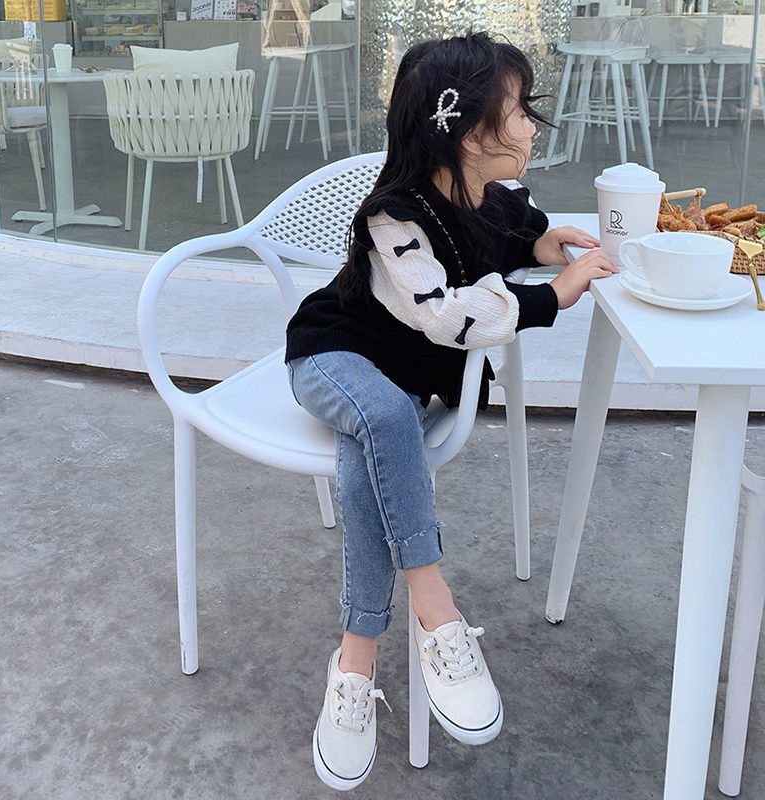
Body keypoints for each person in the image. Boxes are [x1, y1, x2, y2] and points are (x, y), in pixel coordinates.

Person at [285, 32, 617, 791]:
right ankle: (437, 614)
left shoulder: (491, 200)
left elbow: (500, 238)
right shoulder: (394, 219)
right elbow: (443, 314)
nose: (532, 125)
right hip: (333, 355)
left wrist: (543, 245)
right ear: (470, 132)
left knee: (373, 450)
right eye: (520, 110)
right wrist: (553, 296)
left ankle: (355, 662)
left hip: (397, 385)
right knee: (386, 419)